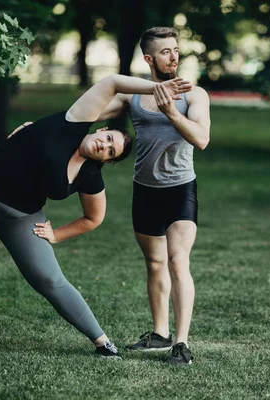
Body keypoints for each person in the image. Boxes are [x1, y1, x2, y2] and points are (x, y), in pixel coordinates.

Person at [0, 74, 193, 360]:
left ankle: (103, 343)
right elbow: (112, 83)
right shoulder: (73, 121)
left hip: (21, 214)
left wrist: (56, 234)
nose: (104, 145)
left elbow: (94, 218)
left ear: (108, 160)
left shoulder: (90, 175)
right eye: (107, 138)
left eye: (110, 151)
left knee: (50, 279)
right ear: (101, 129)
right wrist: (159, 88)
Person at [96, 27, 211, 365]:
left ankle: (181, 343)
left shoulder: (195, 94)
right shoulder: (132, 96)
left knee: (177, 261)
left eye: (176, 50)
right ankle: (159, 333)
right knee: (155, 262)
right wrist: (41, 127)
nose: (173, 56)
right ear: (149, 59)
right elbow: (85, 113)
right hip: (144, 190)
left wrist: (172, 111)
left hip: (180, 189)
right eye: (165, 52)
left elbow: (201, 139)